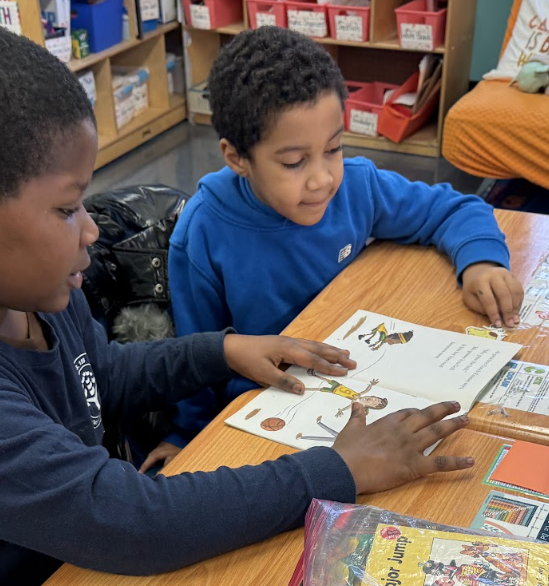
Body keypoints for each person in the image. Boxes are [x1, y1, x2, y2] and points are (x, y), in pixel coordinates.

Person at [0, 16, 476, 585]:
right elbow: (133, 523)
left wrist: (223, 350)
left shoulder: (24, 291)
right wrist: (338, 470)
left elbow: (99, 376)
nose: (90, 230)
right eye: (65, 208)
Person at [148, 27, 524, 472]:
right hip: (271, 409)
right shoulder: (204, 232)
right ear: (237, 158)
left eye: (333, 149)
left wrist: (480, 260)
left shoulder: (357, 187)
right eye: (293, 163)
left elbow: (453, 208)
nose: (323, 179)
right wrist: (187, 437)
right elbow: (197, 358)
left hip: (362, 377)